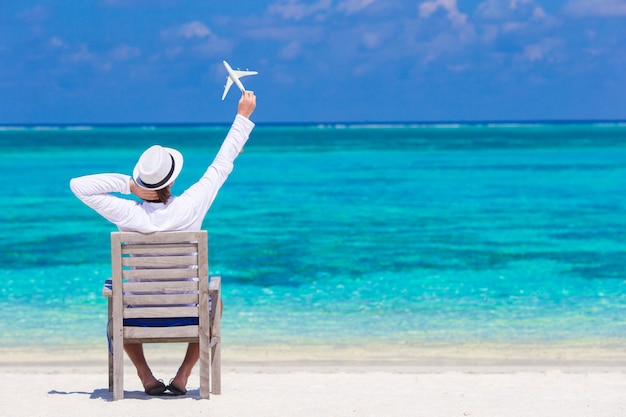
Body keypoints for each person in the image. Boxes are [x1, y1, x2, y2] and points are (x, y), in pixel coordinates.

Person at [70, 91, 257, 396]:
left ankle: (145, 375)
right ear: (171, 181)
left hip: (137, 314)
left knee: (116, 302)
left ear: (144, 183)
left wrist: (128, 186)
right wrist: (242, 116)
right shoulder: (191, 205)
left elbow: (78, 186)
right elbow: (222, 164)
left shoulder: (127, 212)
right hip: (187, 310)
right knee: (215, 300)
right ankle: (183, 375)